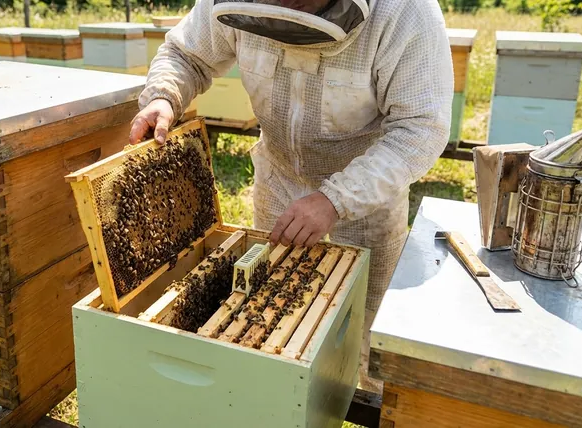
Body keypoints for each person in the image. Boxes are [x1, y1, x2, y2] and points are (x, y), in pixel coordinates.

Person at [129, 0, 453, 390]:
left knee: (364, 332)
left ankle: (361, 399)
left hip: (367, 192)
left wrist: (336, 199)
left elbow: (421, 127)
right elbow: (187, 55)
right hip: (279, 178)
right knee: (265, 314)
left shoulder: (405, 12)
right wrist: (165, 95)